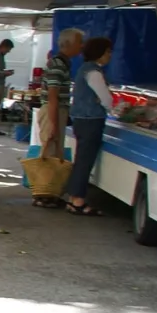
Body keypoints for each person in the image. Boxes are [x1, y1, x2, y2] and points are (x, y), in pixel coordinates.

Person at [64, 36, 115, 216]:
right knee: (85, 160)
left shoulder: (85, 70)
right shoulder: (94, 72)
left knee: (81, 159)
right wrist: (115, 109)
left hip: (81, 118)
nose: (110, 55)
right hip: (90, 119)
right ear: (99, 52)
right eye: (108, 51)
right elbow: (106, 98)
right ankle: (78, 200)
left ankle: (73, 199)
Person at [36, 28, 84, 208]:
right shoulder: (57, 64)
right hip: (53, 110)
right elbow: (53, 96)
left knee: (54, 152)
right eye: (80, 42)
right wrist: (54, 124)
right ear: (70, 44)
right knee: (49, 151)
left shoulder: (62, 63)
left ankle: (49, 193)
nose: (82, 47)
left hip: (56, 110)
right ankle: (44, 194)